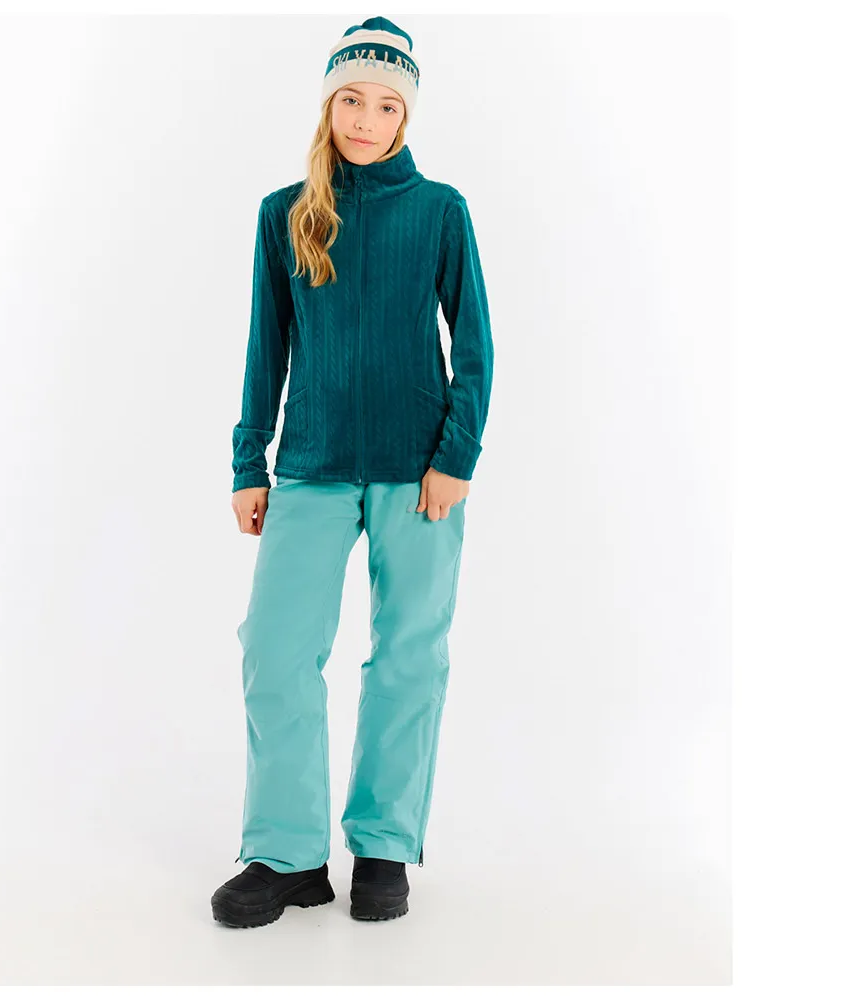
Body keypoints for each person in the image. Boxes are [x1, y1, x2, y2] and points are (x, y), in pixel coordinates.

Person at [212, 15, 494, 928]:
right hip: (312, 466)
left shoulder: (440, 211)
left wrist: (455, 457)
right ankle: (287, 854)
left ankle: (382, 845)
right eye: (351, 99)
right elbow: (267, 347)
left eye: (386, 104)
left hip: (420, 474)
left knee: (409, 653)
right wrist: (249, 459)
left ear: (406, 115)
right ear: (328, 104)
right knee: (275, 649)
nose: (366, 118)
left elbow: (475, 345)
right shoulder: (285, 213)